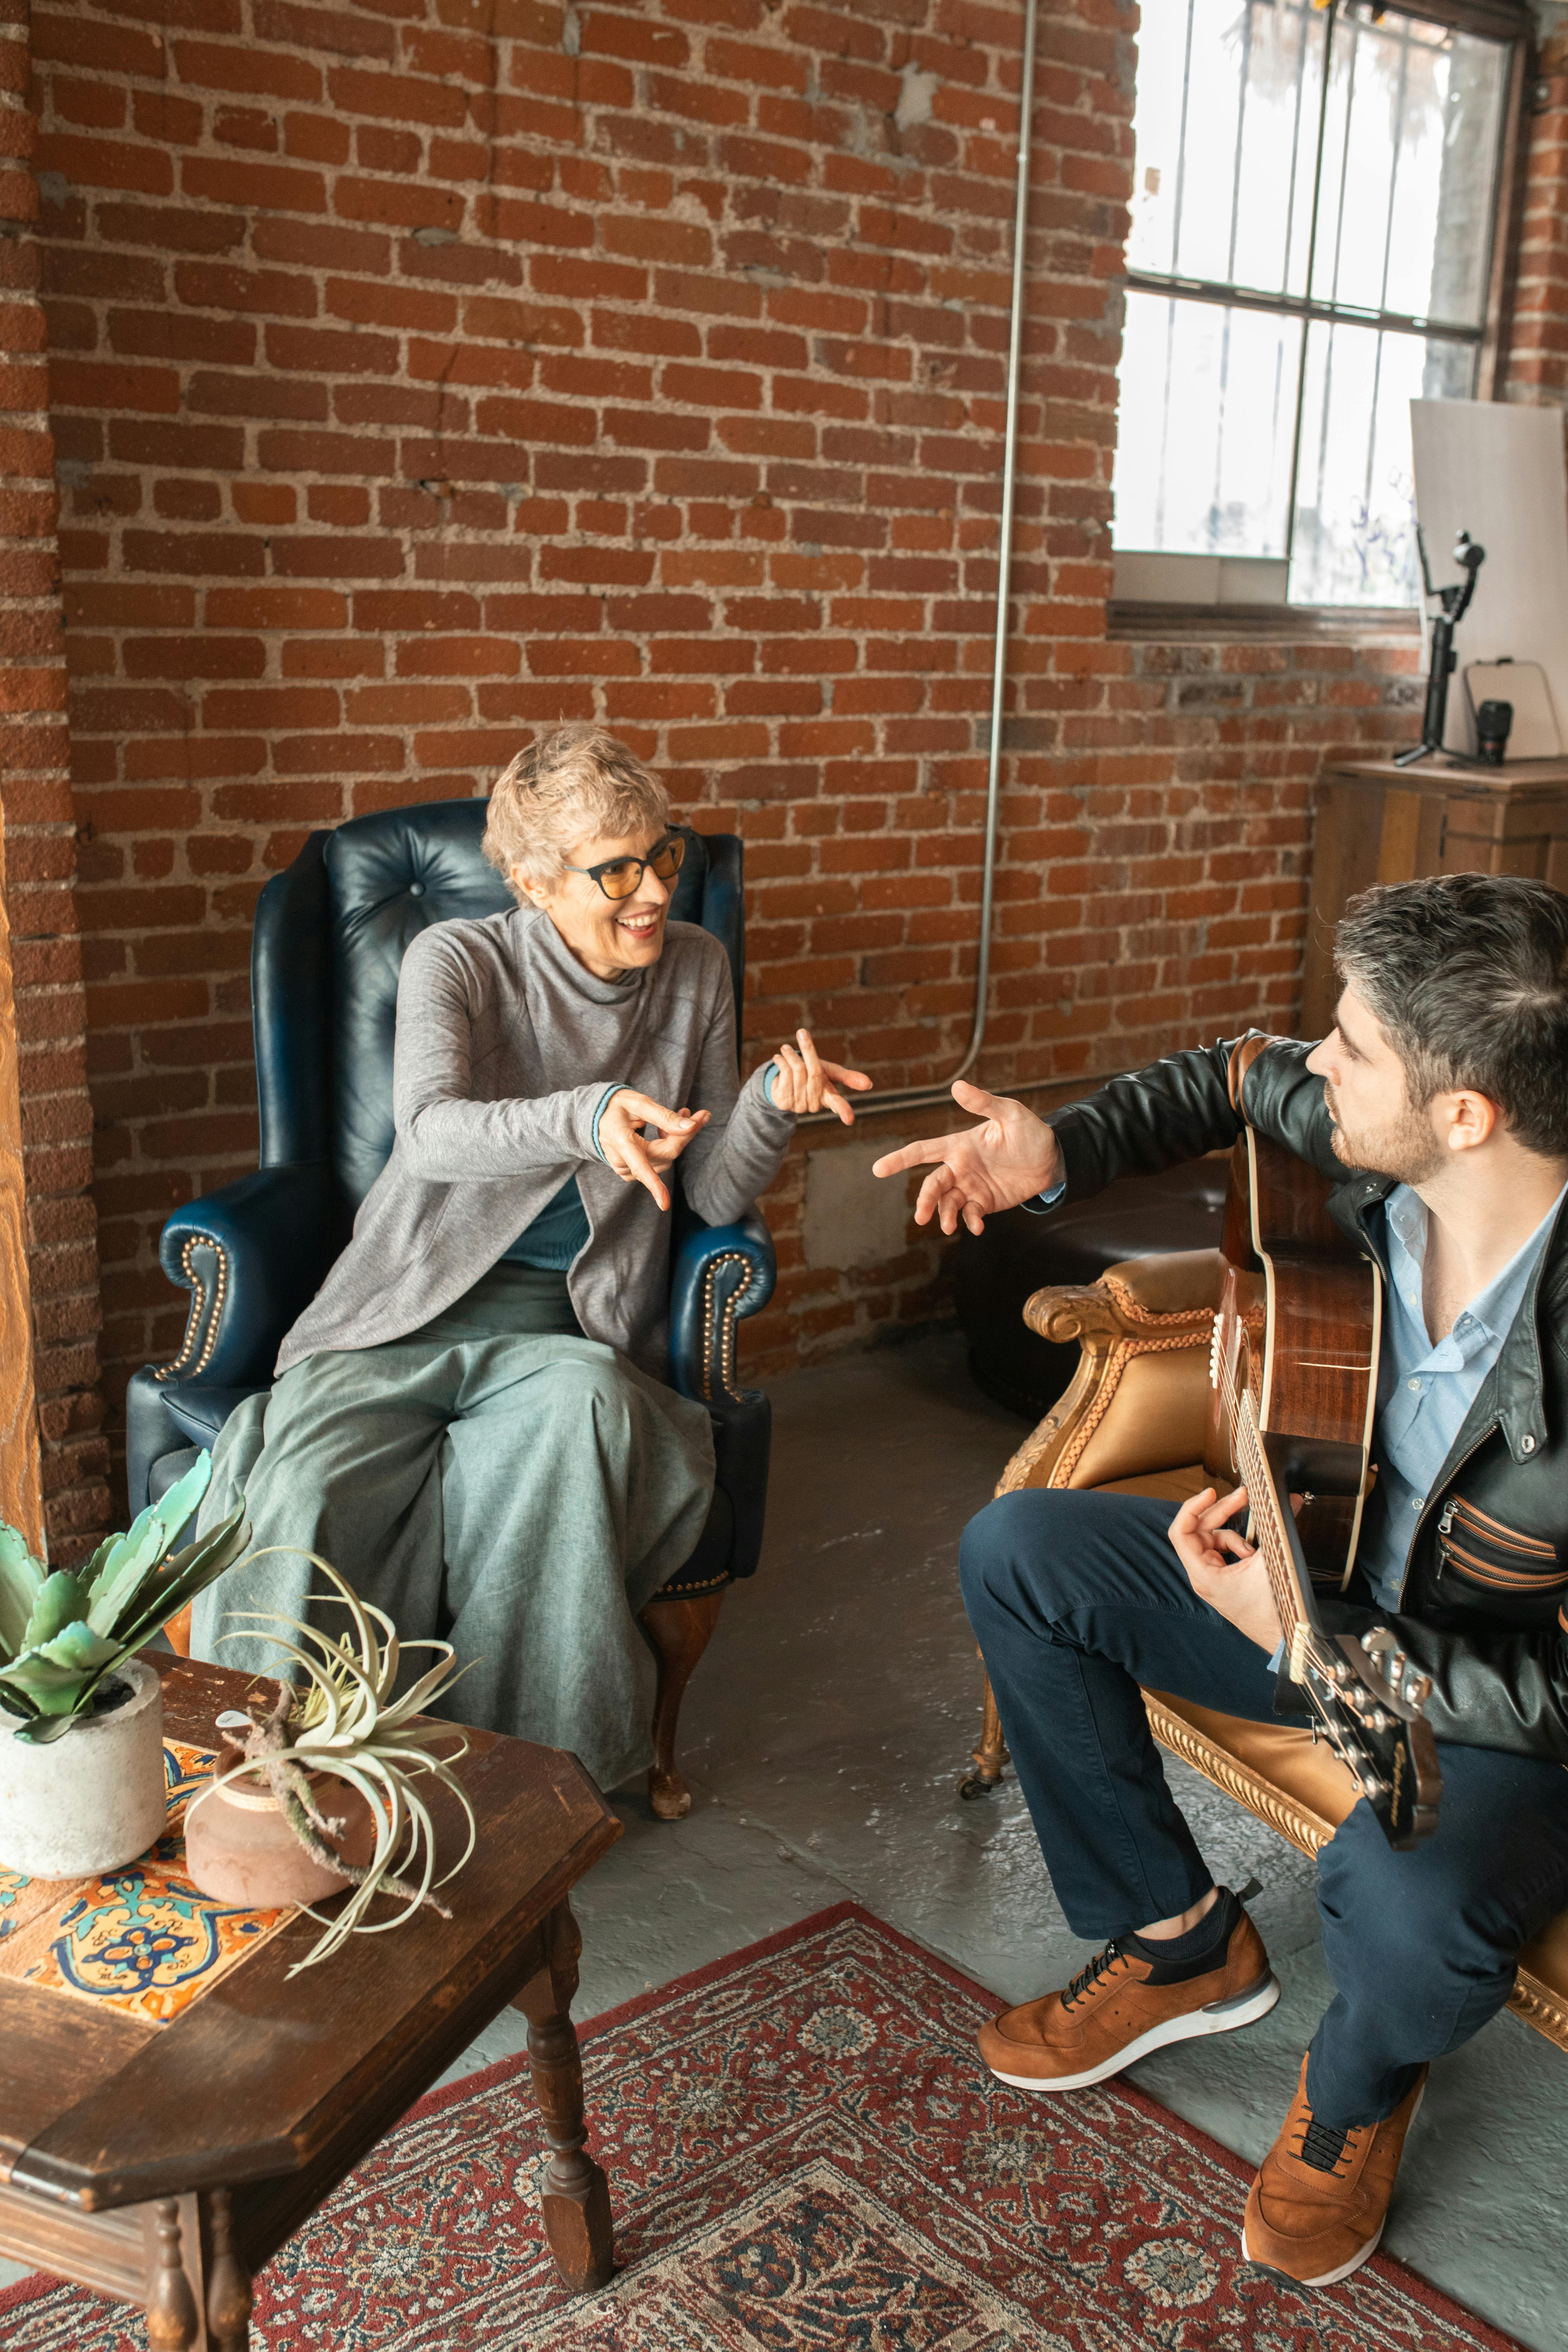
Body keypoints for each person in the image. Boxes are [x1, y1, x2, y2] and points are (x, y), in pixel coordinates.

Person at [873, 872, 1568, 2289]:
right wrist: (1050, 1149)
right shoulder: (1384, 1133)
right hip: (1296, 1582)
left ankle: (1357, 2093)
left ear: (1463, 1117)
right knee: (1020, 1552)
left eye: (1353, 1044)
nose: (1323, 1065)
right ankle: (1177, 1936)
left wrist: (1329, 1663)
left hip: (1471, 1703)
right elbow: (1233, 1073)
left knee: (1419, 1916)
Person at [191, 726, 870, 1790]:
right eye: (616, 869)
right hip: (402, 1314)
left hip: (563, 1333)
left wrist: (771, 1114)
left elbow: (708, 1192)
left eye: (660, 856)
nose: (651, 890)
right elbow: (431, 1131)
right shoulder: (456, 959)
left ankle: (521, 1787)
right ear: (532, 879)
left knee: (582, 1420)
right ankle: (271, 1780)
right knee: (308, 1487)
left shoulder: (694, 967)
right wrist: (587, 1116)